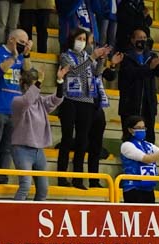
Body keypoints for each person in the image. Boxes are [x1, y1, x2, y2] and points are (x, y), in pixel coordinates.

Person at [55, 28, 111, 188]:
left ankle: (78, 178)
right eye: (79, 38)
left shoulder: (88, 56)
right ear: (72, 39)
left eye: (84, 39)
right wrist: (92, 58)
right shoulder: (66, 56)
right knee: (67, 139)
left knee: (82, 140)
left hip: (87, 101)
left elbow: (97, 73)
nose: (82, 42)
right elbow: (74, 72)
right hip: (70, 100)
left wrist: (101, 59)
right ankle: (62, 177)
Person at [0, 29, 31, 184]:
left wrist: (26, 55)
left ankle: (2, 178)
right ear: (11, 39)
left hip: (14, 109)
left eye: (26, 43)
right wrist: (13, 57)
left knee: (8, 148)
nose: (23, 45)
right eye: (21, 42)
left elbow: (28, 73)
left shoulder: (22, 57)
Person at [11, 66, 66, 201]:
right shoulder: (17, 102)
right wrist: (39, 82)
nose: (37, 89)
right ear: (25, 86)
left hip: (39, 150)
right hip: (21, 149)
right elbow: (27, 100)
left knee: (43, 189)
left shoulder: (41, 102)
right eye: (34, 85)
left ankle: (36, 213)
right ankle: (15, 212)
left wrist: (60, 81)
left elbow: (57, 99)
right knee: (25, 185)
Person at [109, 26, 159, 145]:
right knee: (130, 138)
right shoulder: (125, 56)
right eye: (140, 37)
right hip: (129, 104)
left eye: (145, 37)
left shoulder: (151, 56)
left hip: (148, 104)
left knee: (149, 138)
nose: (143, 40)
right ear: (132, 40)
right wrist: (149, 67)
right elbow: (131, 74)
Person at [119, 116, 159, 204]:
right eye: (138, 128)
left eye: (143, 128)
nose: (141, 130)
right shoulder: (127, 145)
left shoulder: (148, 145)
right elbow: (148, 159)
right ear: (130, 130)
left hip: (148, 187)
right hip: (133, 188)